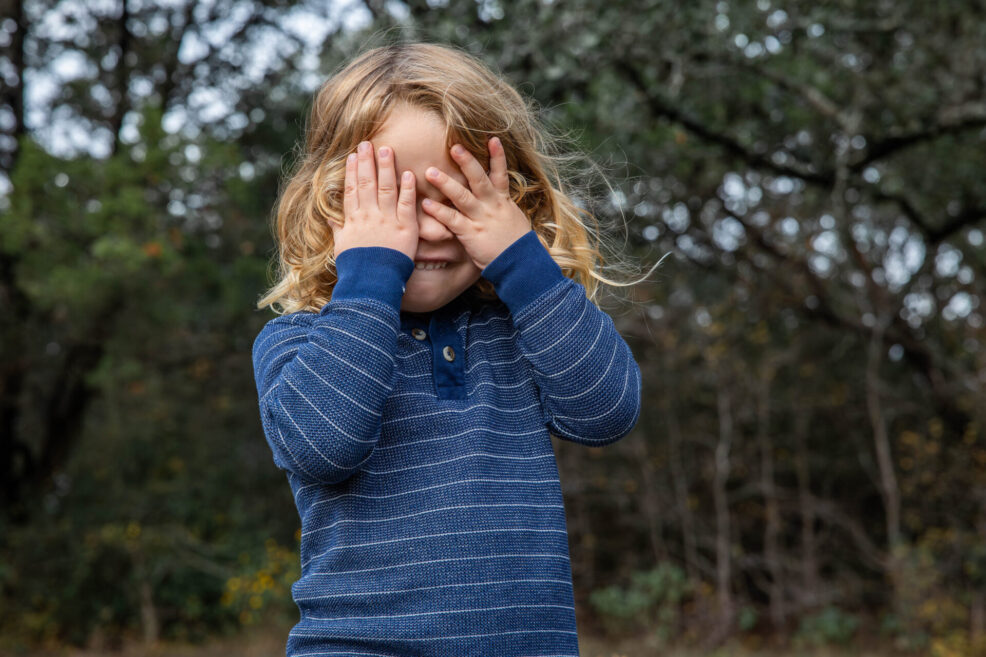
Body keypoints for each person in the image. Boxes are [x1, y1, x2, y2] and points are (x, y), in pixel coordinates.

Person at [252, 41, 659, 657]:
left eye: (457, 197)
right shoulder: (299, 341)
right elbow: (322, 447)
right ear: (335, 205)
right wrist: (367, 278)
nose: (432, 229)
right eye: (397, 201)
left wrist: (522, 260)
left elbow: (607, 413)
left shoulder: (523, 328)